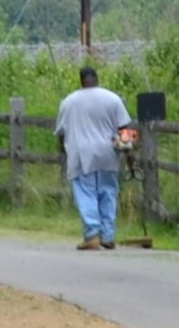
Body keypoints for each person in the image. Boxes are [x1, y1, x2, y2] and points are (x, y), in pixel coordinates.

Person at [54, 64, 134, 249]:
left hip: (81, 154)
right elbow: (124, 129)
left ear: (81, 80)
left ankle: (92, 234)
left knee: (86, 193)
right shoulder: (112, 99)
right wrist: (129, 154)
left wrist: (64, 151)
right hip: (107, 153)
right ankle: (108, 235)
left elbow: (61, 134)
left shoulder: (69, 102)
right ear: (96, 78)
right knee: (108, 193)